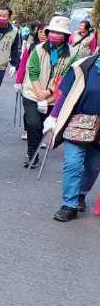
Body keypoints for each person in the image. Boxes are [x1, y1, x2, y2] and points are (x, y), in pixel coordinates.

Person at [44, 50, 100, 222]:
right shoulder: (83, 66)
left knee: (93, 167)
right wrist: (53, 117)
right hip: (77, 122)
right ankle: (69, 205)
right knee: (73, 164)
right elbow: (65, 95)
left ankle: (81, 194)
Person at [20, 15, 74, 169]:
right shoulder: (37, 49)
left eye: (60, 33)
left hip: (54, 98)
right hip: (32, 93)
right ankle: (32, 154)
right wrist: (39, 92)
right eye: (53, 32)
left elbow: (67, 77)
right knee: (33, 124)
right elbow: (33, 70)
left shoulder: (72, 54)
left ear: (66, 36)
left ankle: (35, 147)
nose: (55, 35)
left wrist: (49, 92)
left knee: (43, 125)